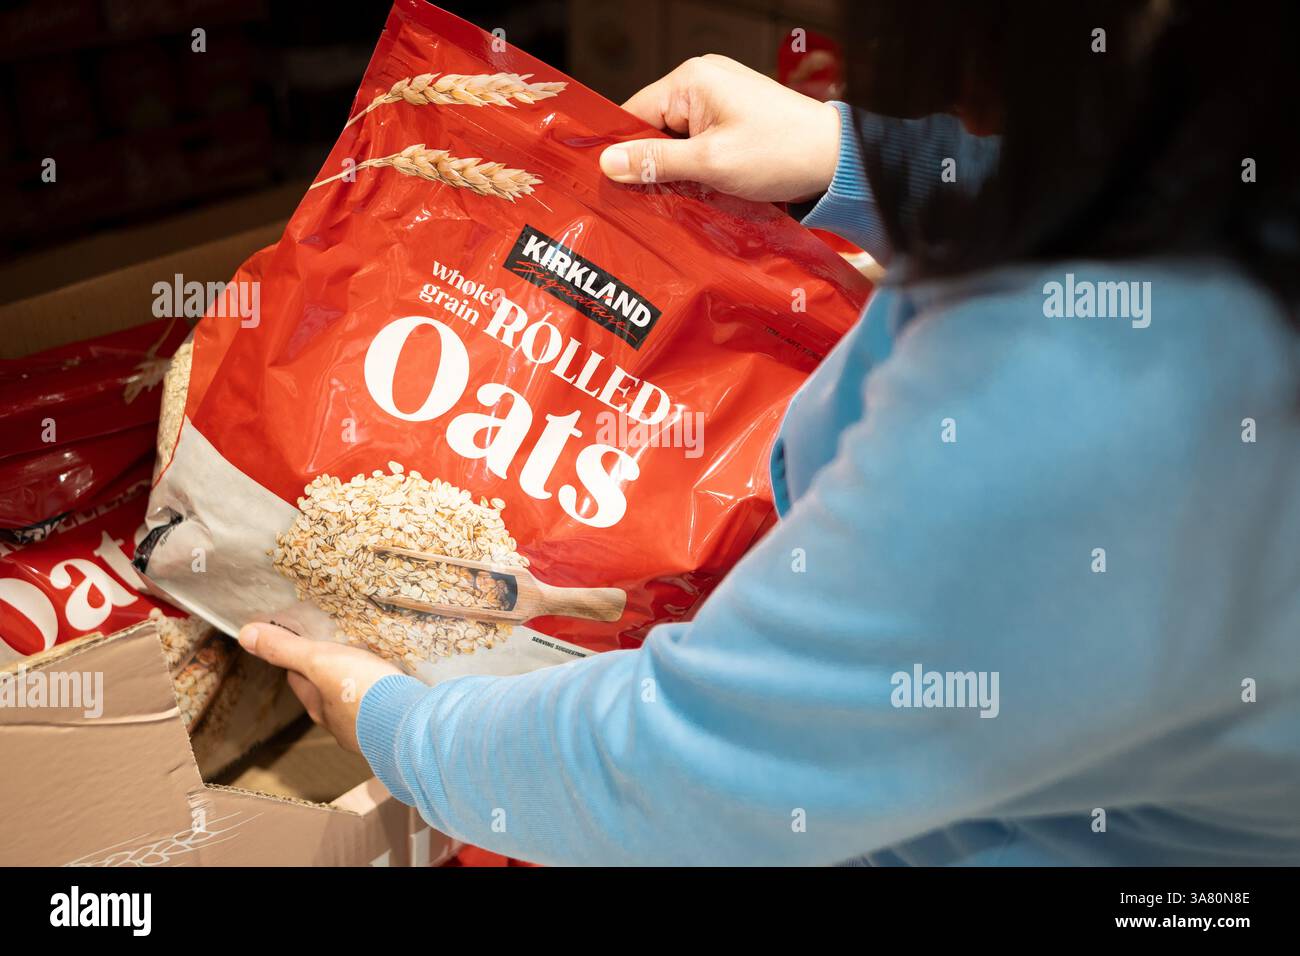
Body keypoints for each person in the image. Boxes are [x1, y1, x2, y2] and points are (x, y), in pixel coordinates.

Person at [239, 2, 1299, 865]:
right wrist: (859, 157)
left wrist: (405, 728)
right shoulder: (1229, 156)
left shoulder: (1094, 404)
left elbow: (689, 771)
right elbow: (1143, 181)